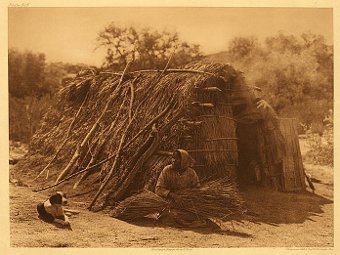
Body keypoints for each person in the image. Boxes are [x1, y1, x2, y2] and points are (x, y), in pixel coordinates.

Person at [155, 149, 212, 228]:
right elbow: (158, 189)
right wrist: (173, 195)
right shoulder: (167, 170)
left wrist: (188, 196)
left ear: (184, 161)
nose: (173, 160)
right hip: (170, 202)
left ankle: (191, 221)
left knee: (195, 213)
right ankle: (189, 223)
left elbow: (197, 189)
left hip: (186, 202)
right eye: (173, 158)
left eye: (177, 159)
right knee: (171, 215)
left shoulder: (191, 173)